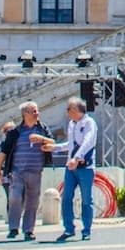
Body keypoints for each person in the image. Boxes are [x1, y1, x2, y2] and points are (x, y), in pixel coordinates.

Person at [34, 96, 98, 242]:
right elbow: (71, 145)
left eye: (69, 109)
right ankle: (69, 228)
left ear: (76, 110)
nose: (67, 112)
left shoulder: (89, 123)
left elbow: (88, 142)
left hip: (85, 167)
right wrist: (54, 148)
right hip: (71, 167)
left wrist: (77, 158)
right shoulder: (72, 124)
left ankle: (86, 229)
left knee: (87, 199)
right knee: (66, 197)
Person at [0, 101, 51, 241]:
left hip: (35, 170)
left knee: (32, 201)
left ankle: (29, 230)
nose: (37, 113)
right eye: (33, 111)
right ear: (25, 114)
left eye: (37, 111)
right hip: (17, 170)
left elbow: (53, 143)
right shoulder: (15, 132)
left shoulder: (43, 129)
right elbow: (4, 152)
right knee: (15, 197)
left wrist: (42, 139)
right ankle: (13, 227)